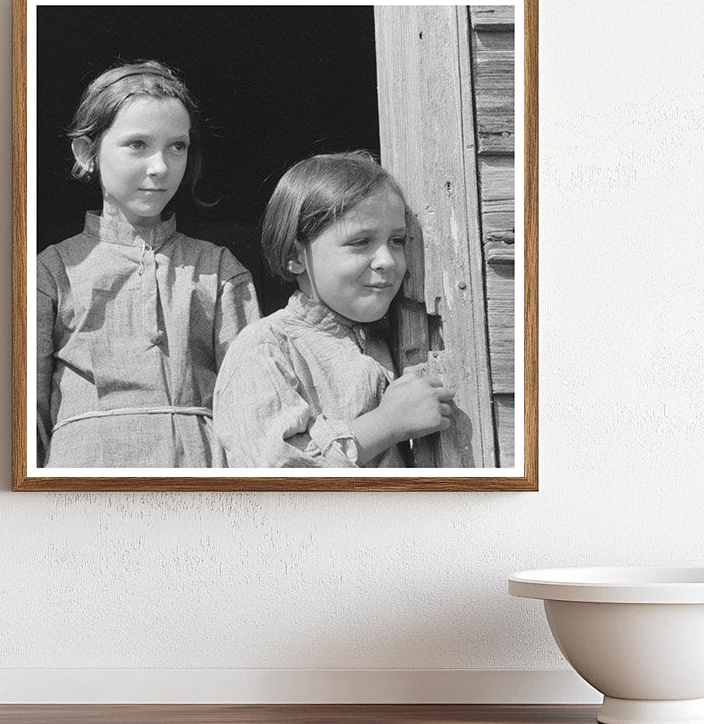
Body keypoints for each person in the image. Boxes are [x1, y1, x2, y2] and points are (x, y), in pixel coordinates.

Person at [37, 60, 260, 468]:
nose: (160, 167)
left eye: (177, 146)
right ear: (87, 152)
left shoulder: (219, 269)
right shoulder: (51, 272)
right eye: (138, 144)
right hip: (83, 482)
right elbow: (24, 421)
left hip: (200, 475)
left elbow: (252, 408)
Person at [213, 151, 453, 468]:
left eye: (396, 240)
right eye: (360, 241)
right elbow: (275, 475)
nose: (387, 261)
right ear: (295, 255)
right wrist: (388, 423)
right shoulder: (265, 348)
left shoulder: (392, 339)